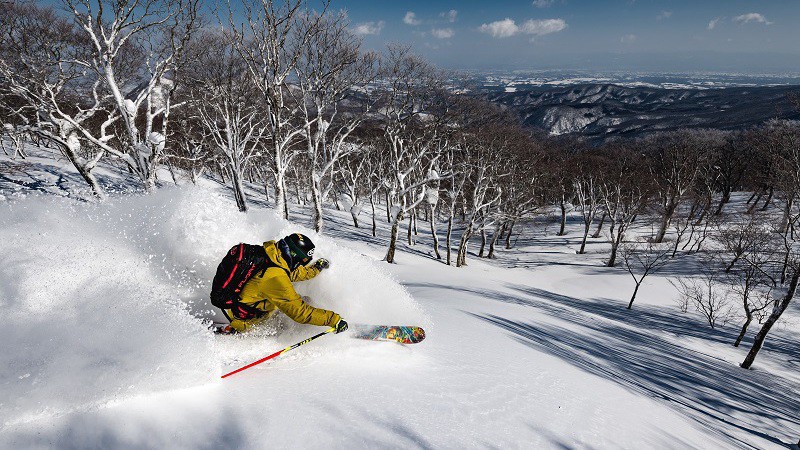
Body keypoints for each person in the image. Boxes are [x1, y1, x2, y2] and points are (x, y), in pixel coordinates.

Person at [216, 233, 348, 335]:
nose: (300, 266)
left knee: (304, 300)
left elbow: (292, 273)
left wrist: (316, 269)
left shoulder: (273, 256)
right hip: (249, 320)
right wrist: (333, 320)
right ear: (294, 256)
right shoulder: (275, 278)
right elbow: (300, 312)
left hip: (246, 305)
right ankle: (236, 328)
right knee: (301, 305)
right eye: (301, 262)